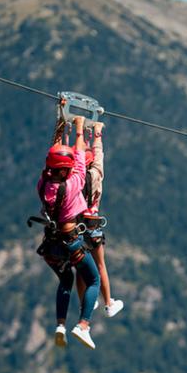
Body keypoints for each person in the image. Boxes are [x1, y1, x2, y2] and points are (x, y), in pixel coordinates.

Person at [35, 115, 100, 349]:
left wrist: (61, 128)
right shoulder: (72, 185)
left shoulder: (43, 184)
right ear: (65, 171)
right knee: (93, 280)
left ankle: (60, 324)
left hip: (52, 244)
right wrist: (80, 130)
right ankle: (83, 325)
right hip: (72, 241)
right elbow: (80, 160)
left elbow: (54, 161)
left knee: (66, 279)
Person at [75, 122, 124, 318]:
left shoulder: (74, 178)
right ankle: (109, 303)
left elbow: (75, 157)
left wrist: (74, 133)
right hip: (93, 225)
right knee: (100, 265)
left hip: (76, 226)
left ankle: (84, 302)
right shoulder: (96, 175)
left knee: (80, 266)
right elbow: (99, 156)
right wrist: (96, 135)